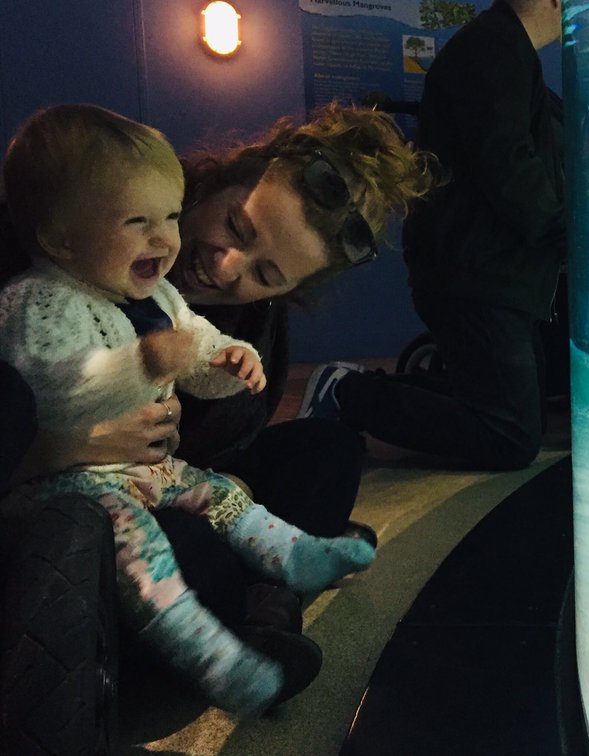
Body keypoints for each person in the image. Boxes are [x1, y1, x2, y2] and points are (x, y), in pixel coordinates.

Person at [2, 101, 439, 689]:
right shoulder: (55, 257)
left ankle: (269, 601)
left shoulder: (229, 317)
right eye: (236, 226)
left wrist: (229, 479)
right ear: (215, 180)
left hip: (170, 483)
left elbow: (228, 434)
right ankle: (236, 619)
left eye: (266, 275)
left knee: (326, 449)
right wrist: (61, 445)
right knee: (184, 556)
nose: (226, 267)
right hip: (61, 494)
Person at [297, 0, 567, 471]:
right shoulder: (494, 46)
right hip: (479, 272)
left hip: (489, 270)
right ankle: (348, 393)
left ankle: (350, 388)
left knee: (511, 414)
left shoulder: (503, 49)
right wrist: (564, 232)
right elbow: (508, 164)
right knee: (512, 436)